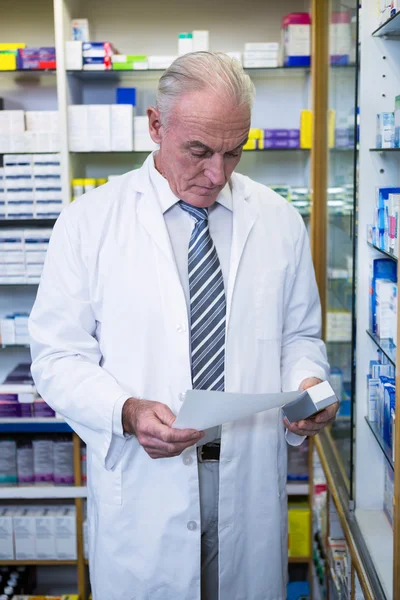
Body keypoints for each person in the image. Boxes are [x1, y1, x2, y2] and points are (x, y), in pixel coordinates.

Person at [29, 52, 337, 600]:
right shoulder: (90, 222)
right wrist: (125, 412)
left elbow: (299, 338)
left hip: (247, 482)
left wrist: (310, 384)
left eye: (234, 152)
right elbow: (57, 357)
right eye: (198, 151)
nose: (217, 174)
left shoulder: (279, 221)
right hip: (145, 487)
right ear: (155, 126)